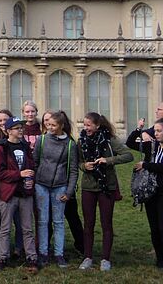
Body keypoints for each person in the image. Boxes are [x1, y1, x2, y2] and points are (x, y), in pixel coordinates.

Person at [77, 112, 133, 272]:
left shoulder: (110, 140)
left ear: (97, 125)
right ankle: (87, 257)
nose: (85, 128)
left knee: (106, 223)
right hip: (88, 187)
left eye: (88, 125)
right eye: (84, 125)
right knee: (88, 224)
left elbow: (128, 155)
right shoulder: (81, 141)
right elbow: (78, 161)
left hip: (107, 187)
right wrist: (84, 166)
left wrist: (108, 160)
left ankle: (105, 259)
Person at [33, 111, 79, 267]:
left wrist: (69, 191)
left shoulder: (70, 144)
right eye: (48, 125)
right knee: (43, 220)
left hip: (60, 186)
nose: (50, 127)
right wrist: (35, 182)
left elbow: (73, 170)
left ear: (61, 126)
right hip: (41, 185)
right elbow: (35, 162)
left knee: (58, 221)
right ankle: (43, 253)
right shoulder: (42, 140)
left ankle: (59, 254)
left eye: (53, 125)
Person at [0, 117, 38, 273]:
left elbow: (32, 166)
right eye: (17, 128)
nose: (21, 130)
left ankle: (31, 257)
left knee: (27, 228)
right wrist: (19, 174)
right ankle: (3, 257)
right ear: (8, 131)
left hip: (25, 193)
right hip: (8, 194)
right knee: (5, 228)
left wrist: (31, 179)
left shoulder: (26, 146)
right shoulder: (2, 149)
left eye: (21, 128)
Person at [133, 118, 163, 270]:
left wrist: (145, 165)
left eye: (159, 131)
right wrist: (140, 130)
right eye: (155, 131)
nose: (156, 134)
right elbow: (130, 143)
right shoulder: (153, 146)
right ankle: (160, 259)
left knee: (162, 227)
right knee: (154, 228)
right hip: (151, 192)